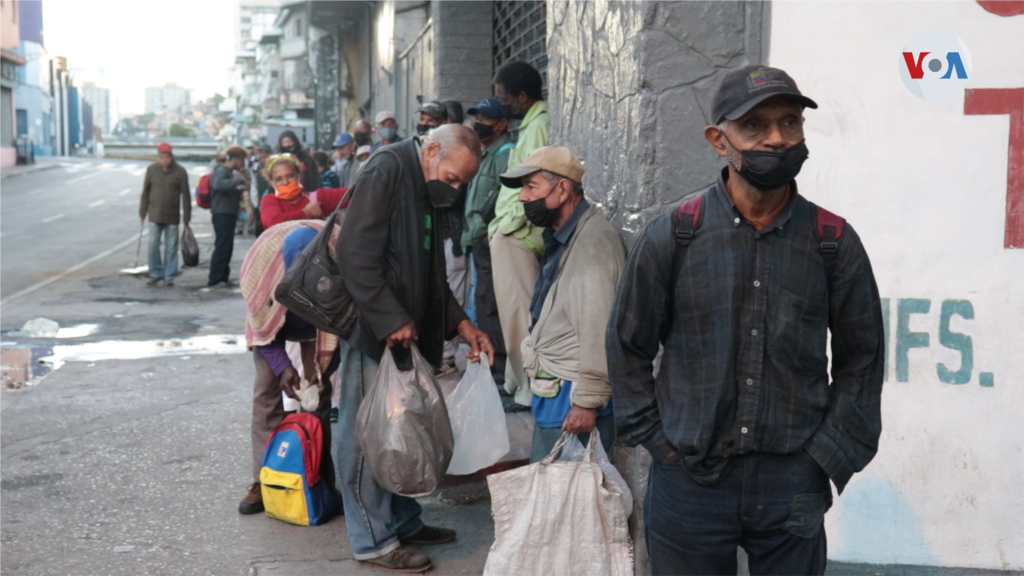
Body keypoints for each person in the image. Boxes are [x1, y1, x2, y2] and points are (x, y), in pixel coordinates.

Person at [606, 66, 884, 576]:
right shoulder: (674, 235)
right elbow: (627, 345)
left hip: (793, 484)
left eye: (790, 123)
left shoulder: (832, 242)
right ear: (719, 139)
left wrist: (824, 456)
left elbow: (862, 359)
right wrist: (659, 444)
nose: (777, 138)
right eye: (754, 126)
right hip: (689, 482)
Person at [334, 123, 494, 572]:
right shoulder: (386, 170)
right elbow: (354, 254)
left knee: (403, 432)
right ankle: (373, 540)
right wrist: (389, 318)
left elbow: (431, 271)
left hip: (405, 333)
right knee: (366, 439)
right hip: (376, 333)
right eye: (453, 178)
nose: (456, 189)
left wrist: (462, 323)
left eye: (462, 183)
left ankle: (402, 519)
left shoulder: (426, 184)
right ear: (431, 151)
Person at [498, 146, 624, 460]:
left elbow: (598, 330)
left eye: (531, 187)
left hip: (572, 399)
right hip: (559, 393)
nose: (523, 197)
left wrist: (586, 402)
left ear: (563, 189)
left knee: (564, 500)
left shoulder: (592, 246)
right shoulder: (566, 235)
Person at [238, 223, 340, 515]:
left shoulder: (338, 260)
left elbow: (343, 325)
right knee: (266, 394)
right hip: (273, 321)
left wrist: (323, 373)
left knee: (317, 399)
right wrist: (283, 367)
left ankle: (316, 479)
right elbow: (261, 326)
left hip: (318, 323)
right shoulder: (260, 273)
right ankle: (264, 479)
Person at [488, 60, 550, 406]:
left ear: (522, 97)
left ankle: (528, 389)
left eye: (504, 98)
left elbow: (537, 181)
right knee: (513, 313)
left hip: (519, 233)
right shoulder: (530, 126)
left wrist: (508, 224)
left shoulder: (539, 126)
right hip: (512, 231)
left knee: (520, 314)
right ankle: (517, 382)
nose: (501, 105)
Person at [462, 96, 514, 383]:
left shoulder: (505, 152)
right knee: (482, 300)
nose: (479, 125)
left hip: (489, 237)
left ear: (502, 123)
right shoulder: (486, 152)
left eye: (486, 119)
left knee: (492, 302)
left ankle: (501, 368)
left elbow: (502, 197)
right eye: (477, 119)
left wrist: (485, 231)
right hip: (477, 239)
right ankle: (491, 362)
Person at [139, 142, 191, 287]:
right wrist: (142, 211)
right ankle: (155, 272)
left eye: (167, 157)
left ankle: (169, 275)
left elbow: (186, 196)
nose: (164, 160)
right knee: (153, 245)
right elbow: (145, 192)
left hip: (172, 215)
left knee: (171, 247)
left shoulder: (180, 171)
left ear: (171, 156)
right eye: (161, 157)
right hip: (154, 214)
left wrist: (187, 217)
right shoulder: (151, 170)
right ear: (158, 157)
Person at [260, 154, 349, 230]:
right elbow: (273, 222)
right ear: (272, 182)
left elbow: (352, 194)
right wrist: (307, 213)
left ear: (300, 176)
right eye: (279, 179)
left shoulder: (316, 198)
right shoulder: (269, 200)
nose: (285, 182)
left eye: (290, 176)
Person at [208, 145, 250, 288]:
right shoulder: (221, 170)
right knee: (222, 245)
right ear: (236, 159)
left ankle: (223, 275)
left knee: (227, 245)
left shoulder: (230, 172)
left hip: (228, 212)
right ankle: (215, 277)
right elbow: (218, 185)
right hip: (222, 213)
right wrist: (239, 182)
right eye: (241, 160)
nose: (242, 164)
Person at [252, 143, 273, 236]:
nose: (263, 155)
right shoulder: (256, 167)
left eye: (265, 153)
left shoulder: (274, 166)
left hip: (272, 200)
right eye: (261, 152)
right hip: (259, 201)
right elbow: (254, 186)